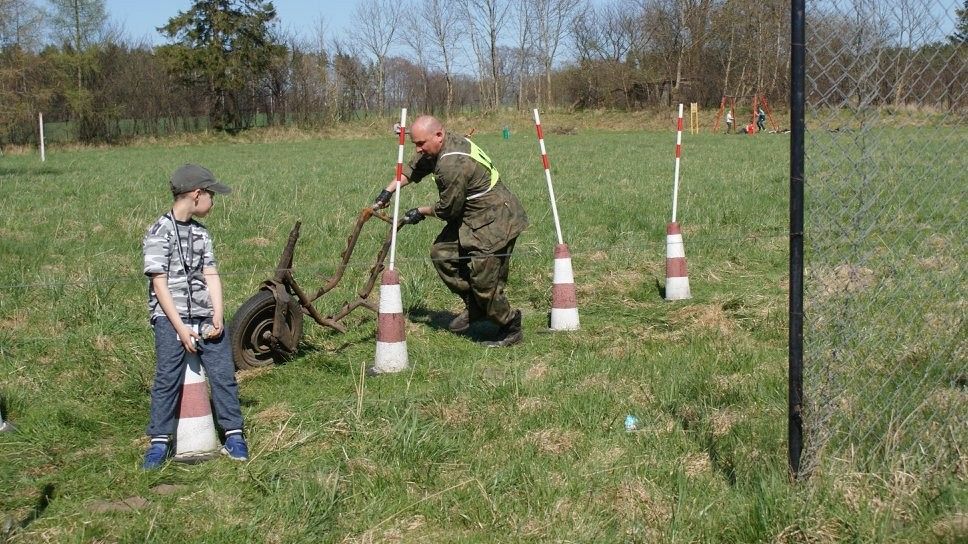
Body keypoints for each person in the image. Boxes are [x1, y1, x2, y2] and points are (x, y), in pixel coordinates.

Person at [373, 115, 529, 348]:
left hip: (495, 219)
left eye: (421, 144)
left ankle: (509, 325)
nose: (418, 149)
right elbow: (414, 169)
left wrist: (420, 211)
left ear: (438, 135)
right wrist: (388, 192)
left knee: (485, 284)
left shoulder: (451, 163)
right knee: (442, 254)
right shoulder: (442, 144)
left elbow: (448, 209)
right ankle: (476, 307)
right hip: (472, 216)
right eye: (415, 144)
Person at [141, 164, 248, 469]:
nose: (214, 201)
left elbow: (210, 273)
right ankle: (159, 442)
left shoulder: (202, 233)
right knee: (167, 377)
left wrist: (218, 315)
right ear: (197, 194)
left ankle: (234, 435)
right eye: (212, 195)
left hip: (204, 315)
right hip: (169, 318)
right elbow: (158, 283)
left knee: (224, 374)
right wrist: (179, 327)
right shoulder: (158, 231)